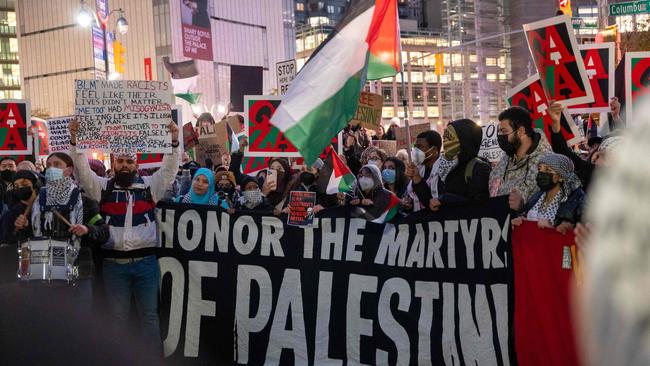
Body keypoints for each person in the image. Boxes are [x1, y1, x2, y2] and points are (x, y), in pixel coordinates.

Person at [68, 119, 180, 350]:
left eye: (130, 161)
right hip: (114, 266)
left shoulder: (151, 186)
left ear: (136, 165)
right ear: (113, 163)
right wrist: (75, 141)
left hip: (146, 264)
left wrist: (174, 141)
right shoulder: (102, 187)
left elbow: (169, 169)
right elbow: (81, 169)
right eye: (120, 161)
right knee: (117, 320)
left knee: (149, 318)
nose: (125, 165)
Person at [490, 106, 552, 206]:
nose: (500, 136)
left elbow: (544, 203)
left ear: (521, 132)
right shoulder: (507, 157)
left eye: (504, 131)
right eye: (499, 131)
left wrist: (522, 206)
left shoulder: (545, 163)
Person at [511, 153, 585, 234]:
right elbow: (527, 216)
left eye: (547, 170)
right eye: (539, 169)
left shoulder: (576, 199)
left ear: (561, 177)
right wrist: (521, 220)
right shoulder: (537, 195)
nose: (541, 173)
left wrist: (554, 229)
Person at [431, 119, 491, 211]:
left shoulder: (479, 168)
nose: (445, 142)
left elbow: (480, 204)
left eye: (450, 137)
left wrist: (446, 200)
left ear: (464, 140)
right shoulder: (444, 167)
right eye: (444, 138)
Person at [548, 100, 597, 189]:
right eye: (596, 157)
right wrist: (556, 126)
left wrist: (616, 118)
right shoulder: (590, 172)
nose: (596, 160)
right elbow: (562, 152)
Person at [404, 130, 445, 212]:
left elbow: (433, 204)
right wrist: (408, 204)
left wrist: (418, 180)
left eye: (420, 147)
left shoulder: (444, 171)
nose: (415, 150)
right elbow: (412, 197)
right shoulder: (418, 168)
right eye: (415, 147)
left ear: (434, 149)